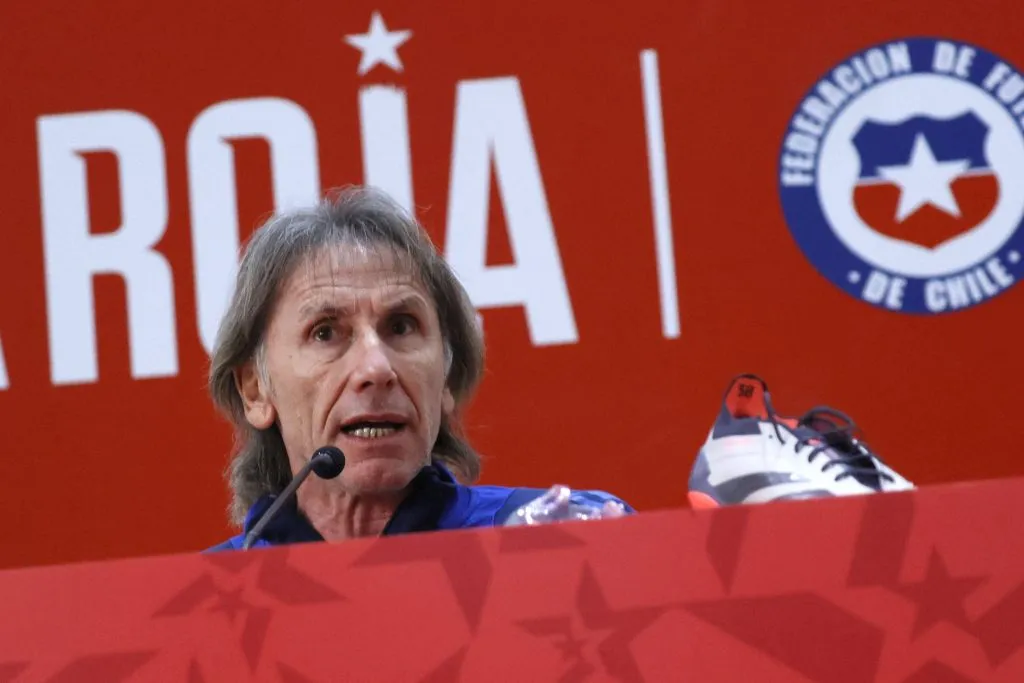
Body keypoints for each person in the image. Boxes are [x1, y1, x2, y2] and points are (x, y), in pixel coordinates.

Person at [207, 187, 632, 551]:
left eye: (401, 326)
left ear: (446, 374)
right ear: (255, 391)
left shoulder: (560, 538)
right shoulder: (203, 607)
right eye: (325, 333)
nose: (376, 367)